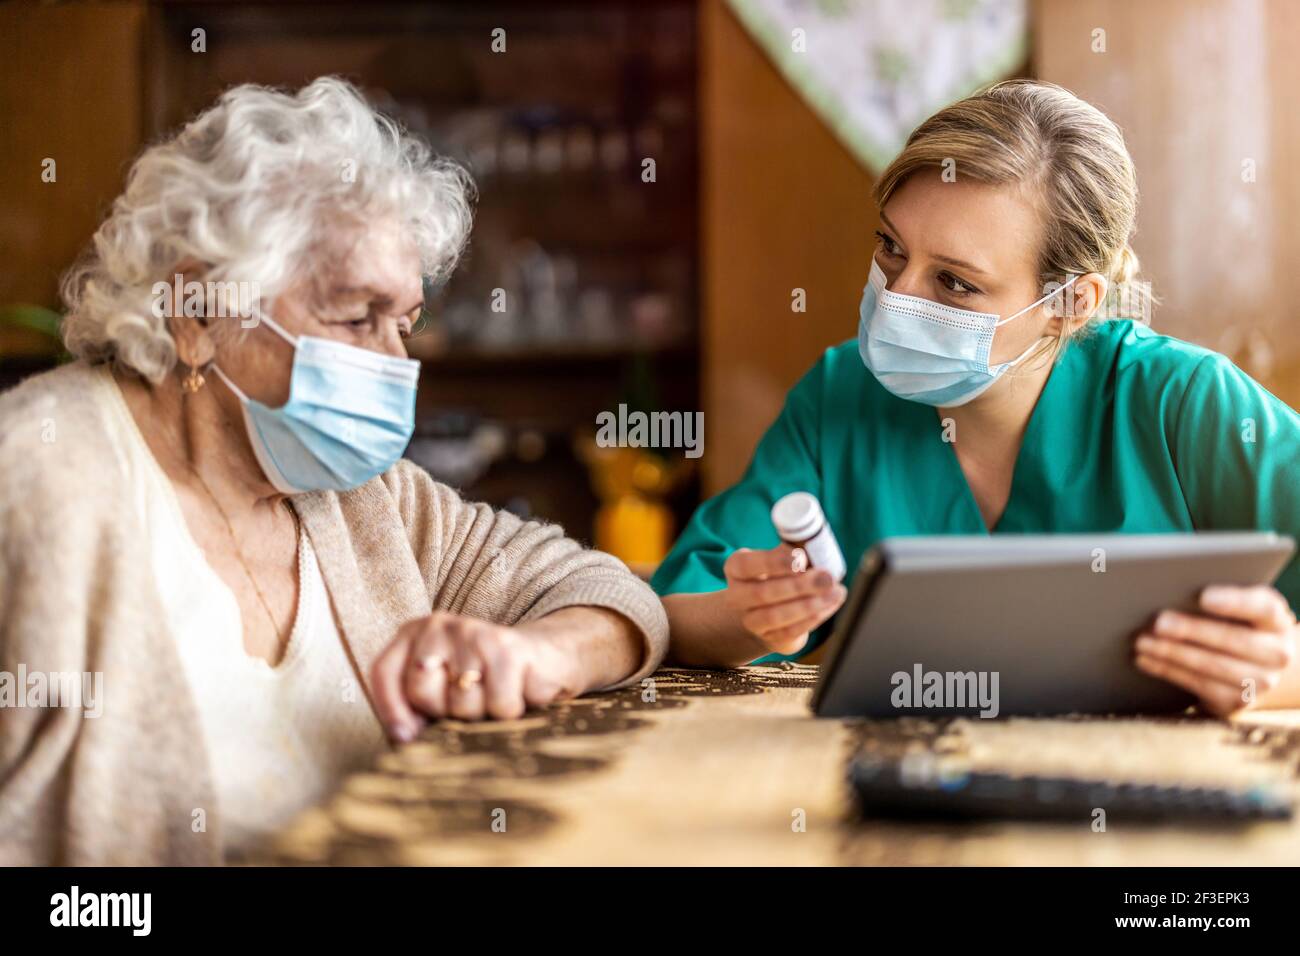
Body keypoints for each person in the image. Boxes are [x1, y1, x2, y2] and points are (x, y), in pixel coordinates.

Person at [0, 77, 667, 864]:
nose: (394, 362)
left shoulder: (361, 498)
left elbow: (611, 594)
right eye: (354, 316)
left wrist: (538, 654)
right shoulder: (37, 481)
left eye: (405, 324)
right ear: (198, 312)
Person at [654, 80, 1299, 716]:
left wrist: (1280, 673)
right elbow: (675, 612)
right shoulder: (840, 395)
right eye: (891, 248)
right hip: (901, 796)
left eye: (955, 282)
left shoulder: (1181, 403)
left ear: (1072, 304)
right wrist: (755, 619)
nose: (899, 296)